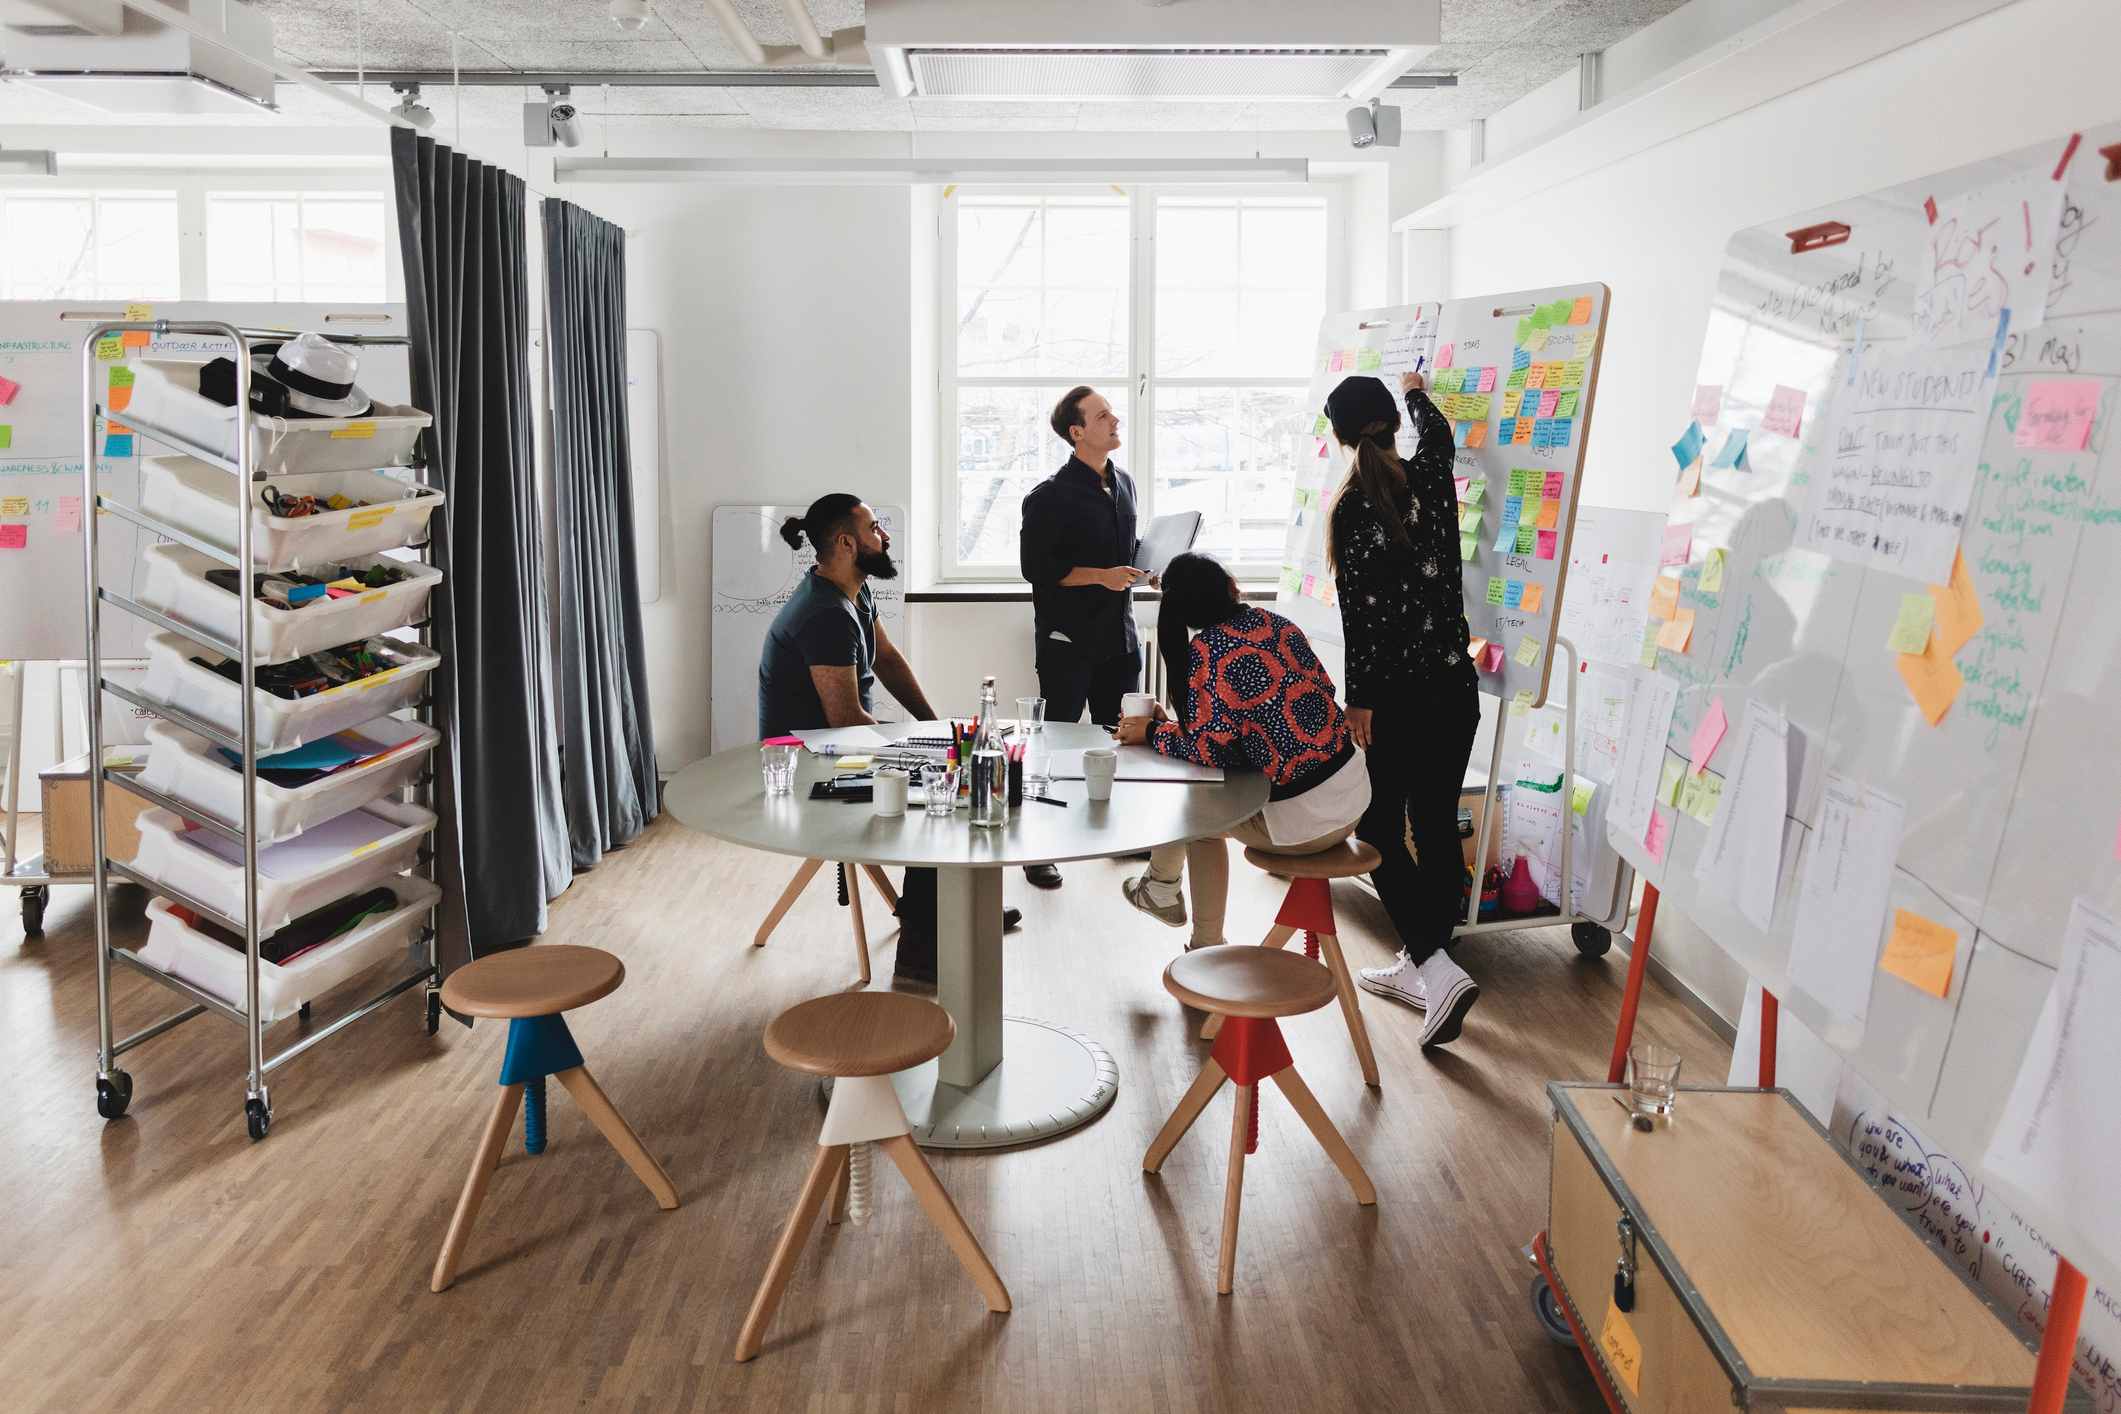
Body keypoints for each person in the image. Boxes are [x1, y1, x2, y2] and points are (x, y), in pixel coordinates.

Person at [759, 494, 1017, 986]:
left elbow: (889, 660)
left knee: (952, 771)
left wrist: (938, 728)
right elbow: (845, 722)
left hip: (834, 751)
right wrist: (929, 751)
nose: (886, 536)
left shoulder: (853, 591)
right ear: (846, 542)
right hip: (806, 767)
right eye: (876, 528)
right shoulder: (825, 614)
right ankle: (921, 957)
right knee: (939, 800)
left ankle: (949, 915)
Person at [1323, 369, 1481, 1048]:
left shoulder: (1353, 508)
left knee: (1377, 828)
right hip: (1455, 689)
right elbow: (1441, 434)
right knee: (1436, 826)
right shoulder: (1432, 479)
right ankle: (1429, 963)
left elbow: (1364, 620)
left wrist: (1358, 701)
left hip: (1397, 700)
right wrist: (1418, 391)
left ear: (1336, 435)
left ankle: (1432, 966)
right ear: (1392, 422)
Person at [1114, 552, 1370, 953]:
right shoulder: (1276, 623)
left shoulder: (1206, 651)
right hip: (1355, 795)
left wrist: (1150, 732)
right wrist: (1166, 729)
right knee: (1204, 787)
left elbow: (1209, 751)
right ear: (1233, 587)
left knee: (1194, 815)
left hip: (1307, 825)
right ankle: (1159, 890)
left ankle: (1199, 937)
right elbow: (1317, 695)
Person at [1016, 385, 1147, 890]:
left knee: (1118, 739)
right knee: (1055, 744)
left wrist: (1142, 569)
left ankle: (1114, 834)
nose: (1115, 421)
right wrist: (1101, 576)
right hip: (1069, 642)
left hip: (1120, 638)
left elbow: (1124, 552)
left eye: (1112, 413)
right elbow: (1038, 570)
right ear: (1077, 432)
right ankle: (1038, 850)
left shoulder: (1126, 484)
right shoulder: (1047, 496)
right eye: (1103, 416)